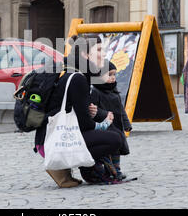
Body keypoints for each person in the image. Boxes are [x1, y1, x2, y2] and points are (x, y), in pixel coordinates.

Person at [34, 34, 124, 187]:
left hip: (48, 138)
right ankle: (89, 171)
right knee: (115, 139)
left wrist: (94, 113)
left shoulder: (71, 72)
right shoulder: (77, 78)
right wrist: (101, 120)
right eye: (100, 50)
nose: (103, 54)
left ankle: (89, 169)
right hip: (53, 143)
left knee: (111, 134)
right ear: (85, 54)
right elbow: (85, 124)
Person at [89, 60, 132, 181]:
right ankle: (110, 170)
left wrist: (127, 124)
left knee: (117, 149)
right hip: (105, 126)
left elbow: (121, 110)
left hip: (117, 124)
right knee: (109, 148)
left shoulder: (114, 91)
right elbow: (94, 111)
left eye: (114, 75)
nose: (113, 78)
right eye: (109, 75)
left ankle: (117, 169)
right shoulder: (96, 92)